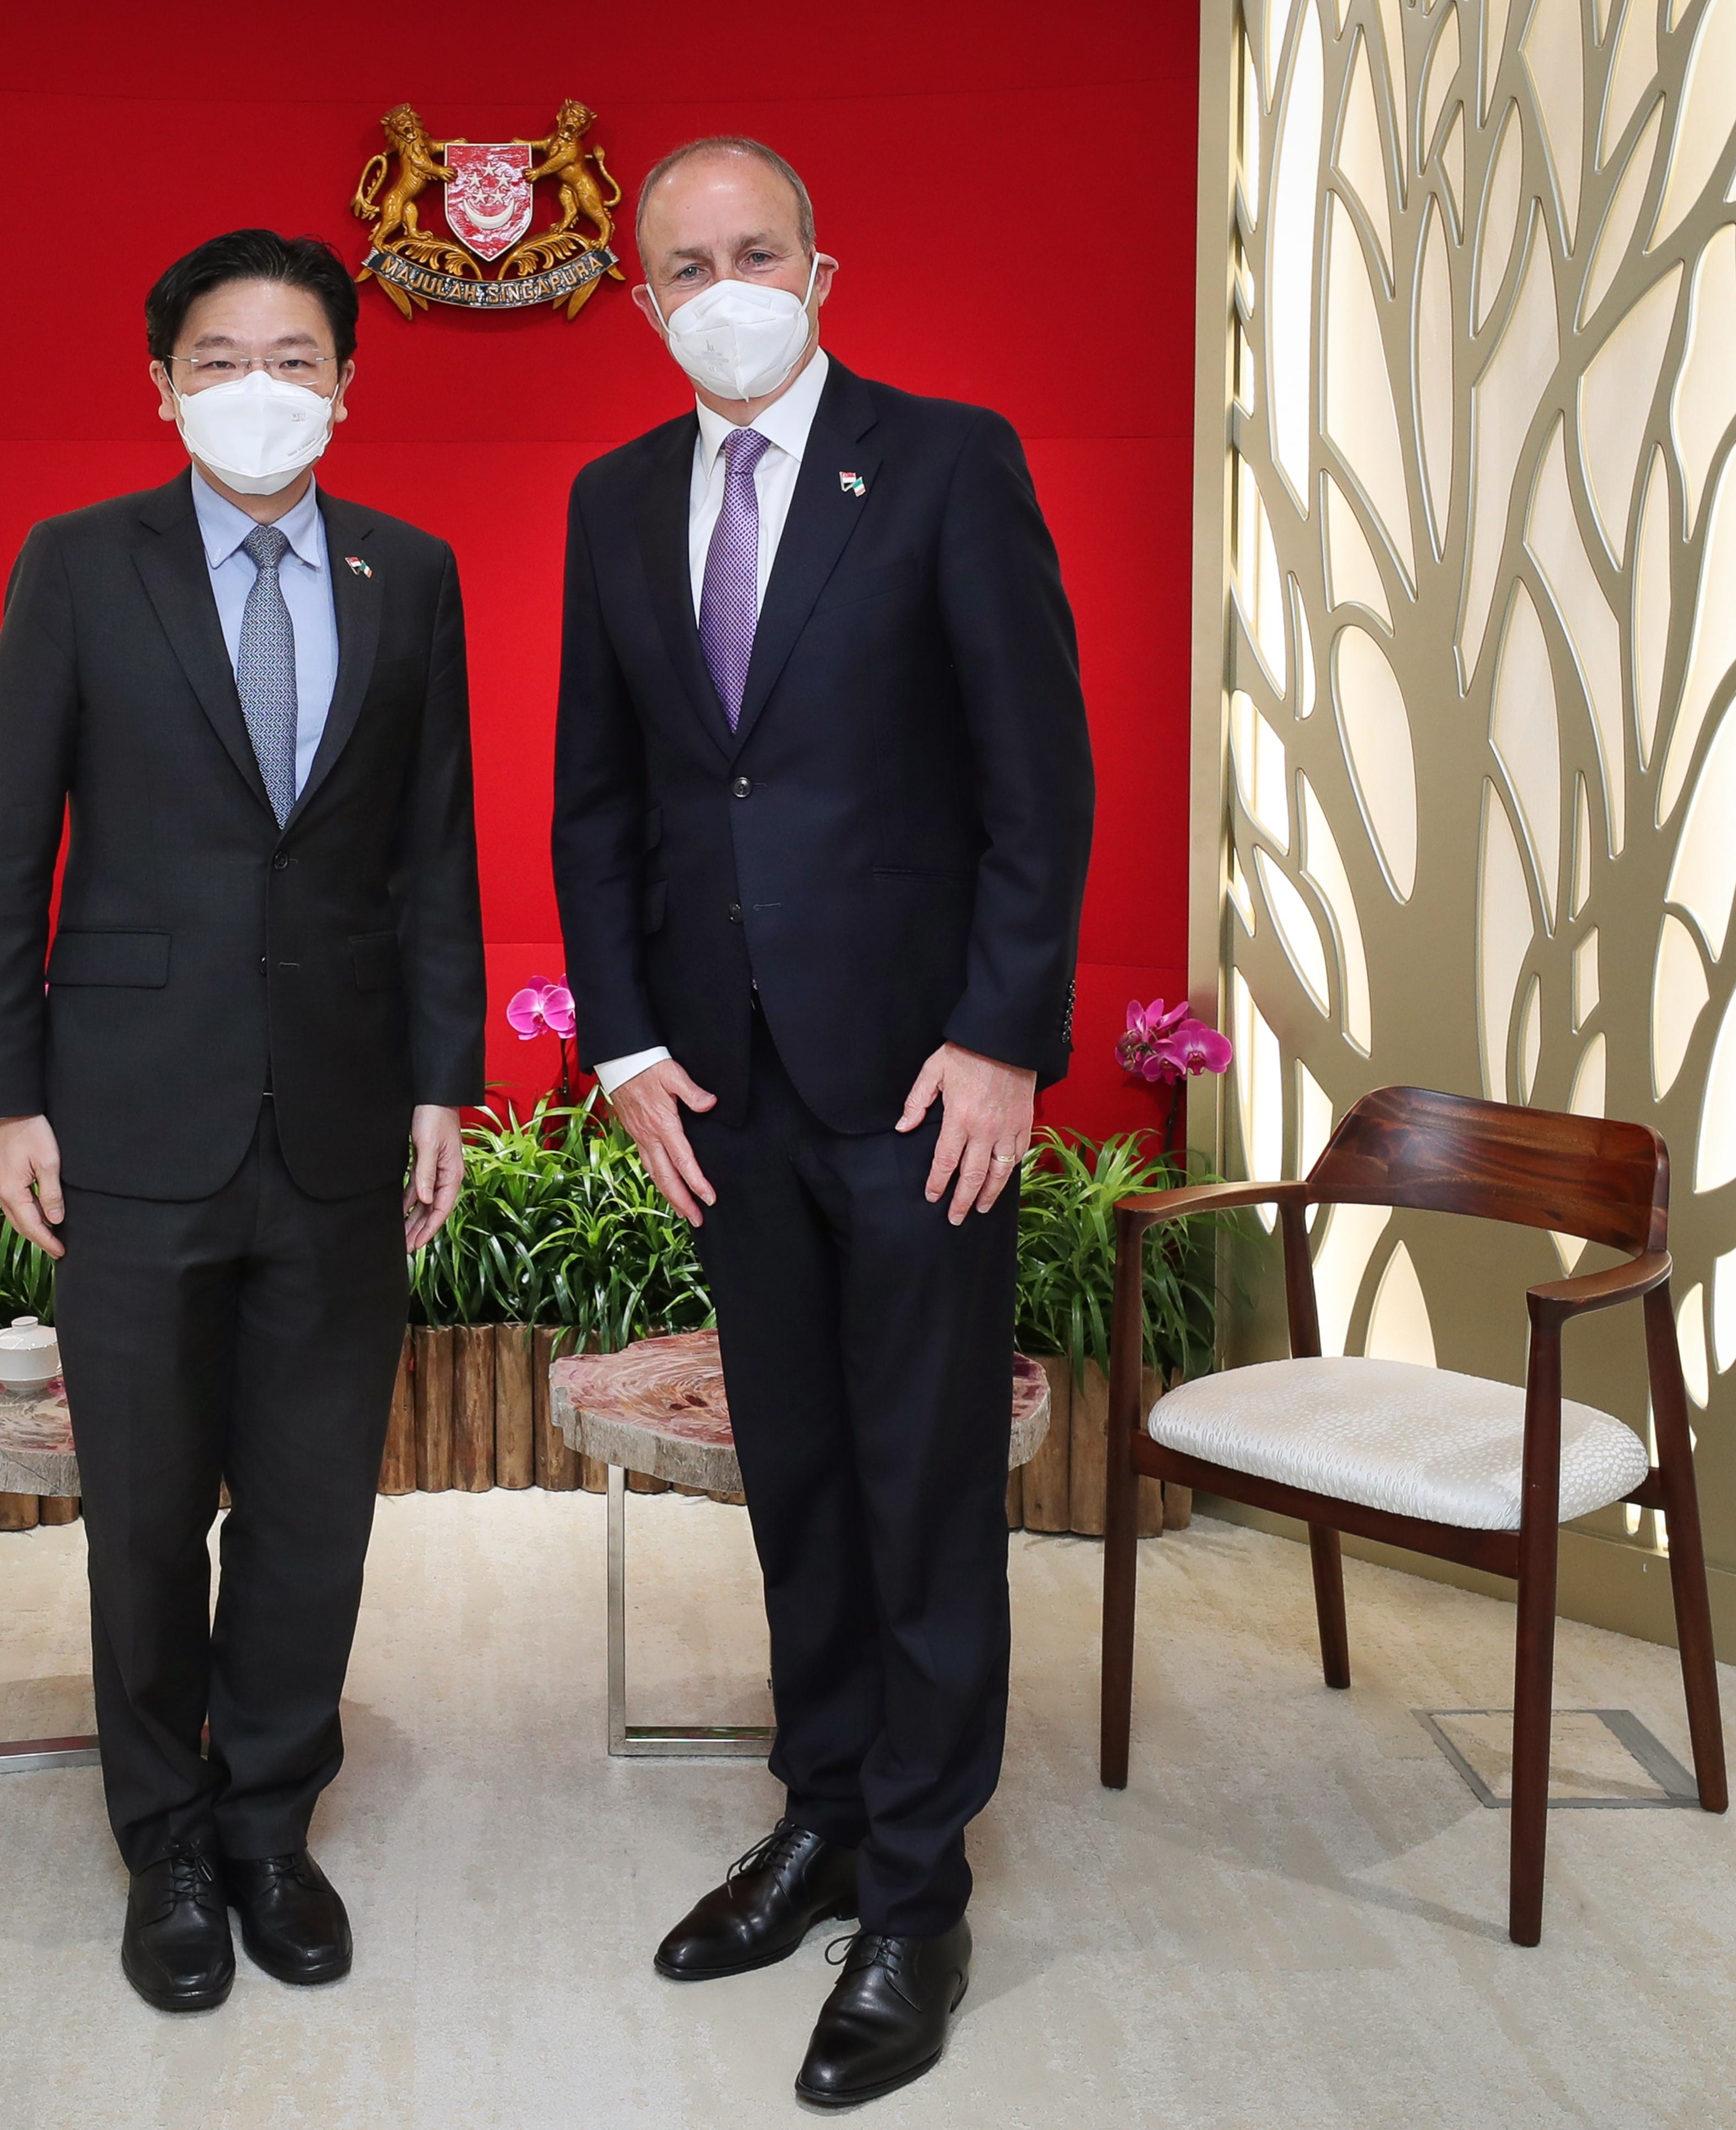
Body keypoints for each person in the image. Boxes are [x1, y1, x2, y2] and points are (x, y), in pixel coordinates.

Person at [549, 139, 1093, 2106]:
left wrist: (1005, 1039)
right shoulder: (617, 502)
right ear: (644, 300)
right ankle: (828, 1809)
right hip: (724, 1090)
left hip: (923, 1084)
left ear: (823, 267)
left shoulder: (949, 463)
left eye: (753, 251)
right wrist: (622, 1047)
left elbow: (1041, 779)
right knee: (794, 1470)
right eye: (682, 264)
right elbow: (596, 802)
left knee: (924, 1482)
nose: (722, 284)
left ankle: (921, 1889)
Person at [0, 228, 484, 2015]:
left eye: (295, 358)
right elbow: (9, 845)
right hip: (129, 1114)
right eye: (221, 357)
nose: (260, 388)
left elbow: (432, 862)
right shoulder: (78, 565)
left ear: (348, 381)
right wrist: (7, 1093)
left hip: (339, 1119)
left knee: (318, 1503)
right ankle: (163, 1839)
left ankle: (268, 1821)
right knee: (149, 1505)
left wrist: (439, 1080)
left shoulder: (411, 575)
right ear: (161, 382)